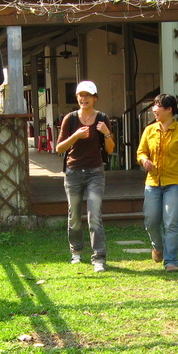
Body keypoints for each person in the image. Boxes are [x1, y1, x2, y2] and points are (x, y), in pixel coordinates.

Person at [136, 94, 178, 272]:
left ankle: (171, 260)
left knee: (171, 221)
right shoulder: (149, 130)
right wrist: (144, 160)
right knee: (151, 220)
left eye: (157, 106)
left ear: (169, 109)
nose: (154, 110)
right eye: (153, 106)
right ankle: (158, 247)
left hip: (176, 183)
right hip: (153, 182)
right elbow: (140, 152)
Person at [55, 80, 115, 272]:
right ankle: (76, 252)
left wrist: (106, 133)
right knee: (74, 215)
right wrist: (75, 137)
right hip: (73, 173)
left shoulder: (102, 118)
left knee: (94, 215)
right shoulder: (70, 119)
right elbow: (59, 148)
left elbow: (110, 149)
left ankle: (99, 258)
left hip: (95, 173)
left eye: (88, 95)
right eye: (81, 95)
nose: (84, 98)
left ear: (95, 98)